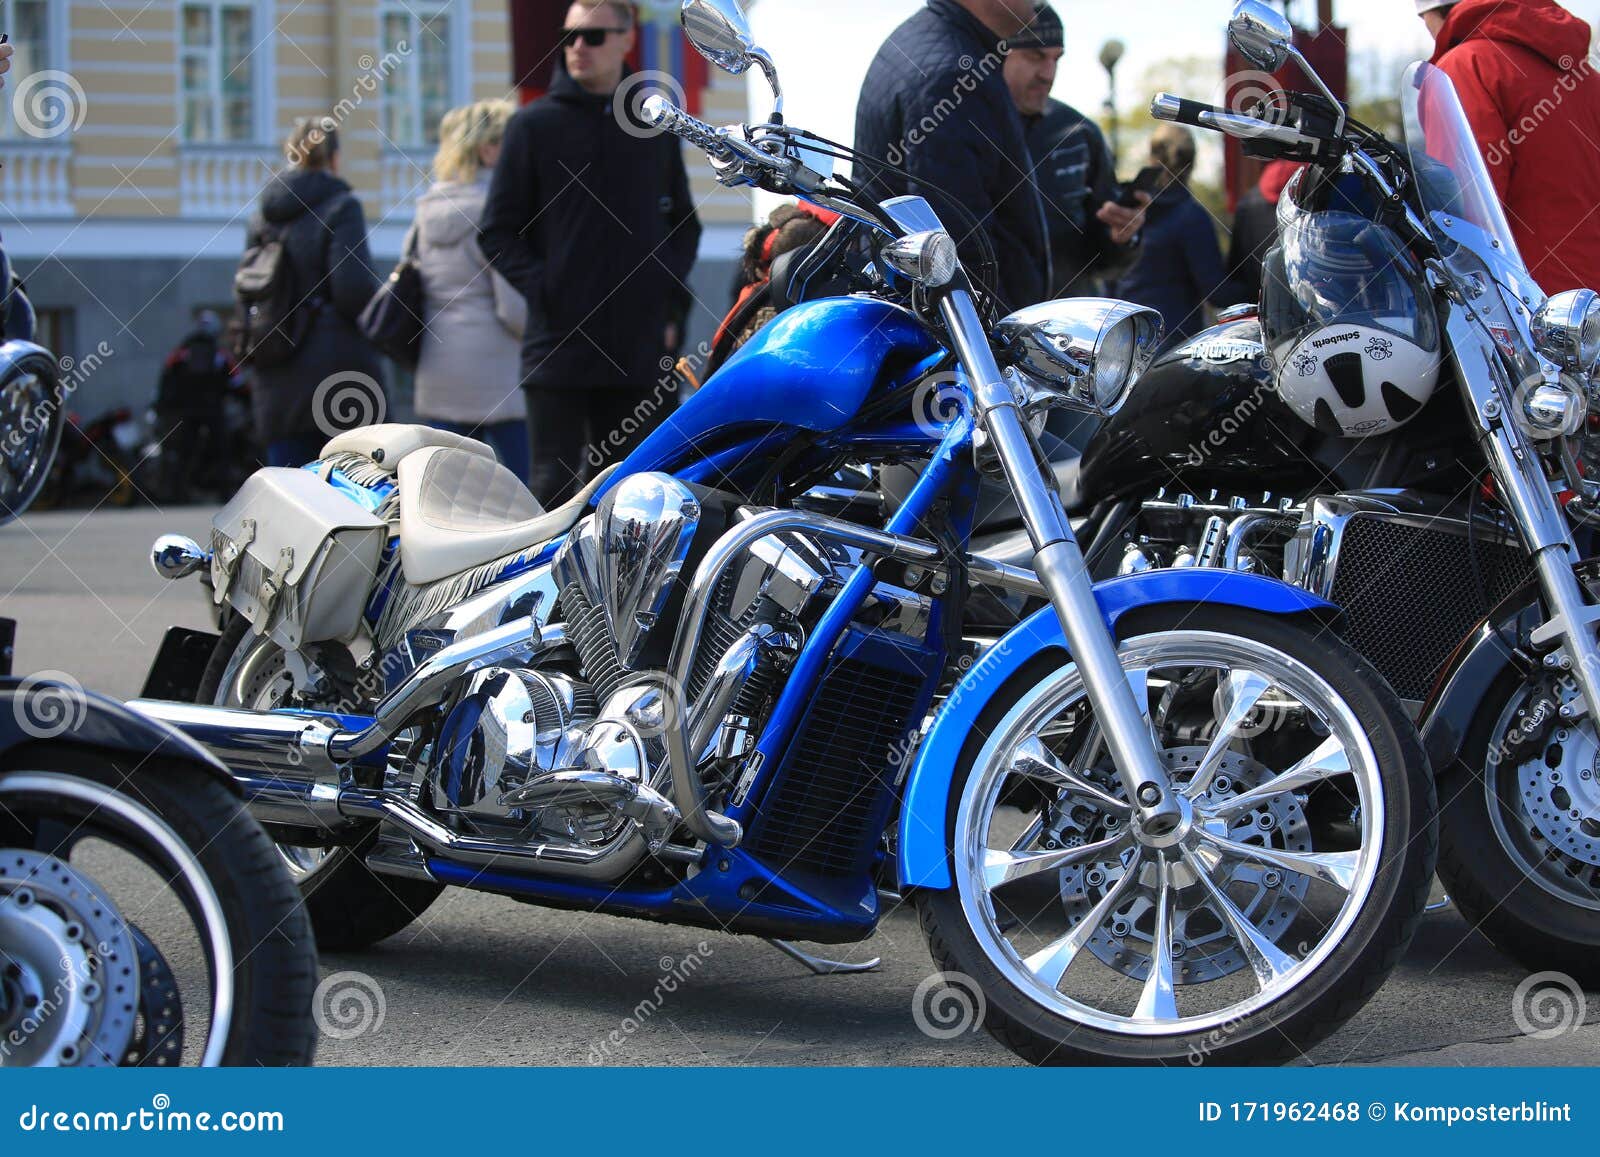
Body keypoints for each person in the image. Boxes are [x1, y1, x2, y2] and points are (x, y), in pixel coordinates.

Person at [480, 0, 701, 507]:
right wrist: (548, 290)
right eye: (568, 37)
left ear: (627, 38)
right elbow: (496, 232)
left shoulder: (652, 126)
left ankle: (620, 590)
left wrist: (662, 300)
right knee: (550, 494)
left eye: (593, 36)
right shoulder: (532, 127)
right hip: (559, 348)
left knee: (635, 495)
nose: (578, 47)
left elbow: (685, 227)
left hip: (637, 353)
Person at [854, 0, 1051, 311]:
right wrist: (997, 346)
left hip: (928, 326)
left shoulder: (941, 46)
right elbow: (955, 252)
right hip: (959, 338)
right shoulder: (953, 72)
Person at [1417, 0, 1600, 295]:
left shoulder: (1464, 67)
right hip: (1588, 311)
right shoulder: (1587, 76)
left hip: (1531, 308)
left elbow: (1463, 210)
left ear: (1435, 13)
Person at [242, 118, 384, 467]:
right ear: (334, 158)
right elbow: (352, 288)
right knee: (348, 489)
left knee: (290, 493)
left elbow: (252, 288)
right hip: (336, 373)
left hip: (275, 365)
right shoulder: (342, 206)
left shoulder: (263, 216)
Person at [410, 99, 530, 483]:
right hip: (497, 372)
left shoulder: (427, 206)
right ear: (489, 149)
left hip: (438, 365)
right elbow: (513, 310)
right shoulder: (496, 209)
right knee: (520, 490)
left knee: (448, 492)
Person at [1003, 5, 1138, 299]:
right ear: (1000, 54)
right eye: (1035, 57)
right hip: (979, 327)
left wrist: (1122, 237)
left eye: (1056, 59)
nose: (1048, 74)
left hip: (1065, 326)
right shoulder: (964, 127)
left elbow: (1104, 261)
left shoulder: (1079, 133)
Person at [1112, 125, 1243, 348]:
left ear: (1151, 156)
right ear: (1192, 163)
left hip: (1122, 343)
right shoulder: (1191, 216)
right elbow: (1217, 293)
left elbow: (1108, 277)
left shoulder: (1127, 209)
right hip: (1173, 346)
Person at [154, 310, 238, 502]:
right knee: (222, 451)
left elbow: (166, 380)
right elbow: (236, 381)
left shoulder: (181, 352)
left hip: (186, 411)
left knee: (184, 452)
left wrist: (166, 407)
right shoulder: (220, 354)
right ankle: (224, 493)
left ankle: (178, 494)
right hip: (213, 409)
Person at [1224, 159, 1301, 307]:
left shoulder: (1246, 204)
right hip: (1309, 309)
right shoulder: (1317, 195)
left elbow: (1236, 272)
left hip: (1260, 310)